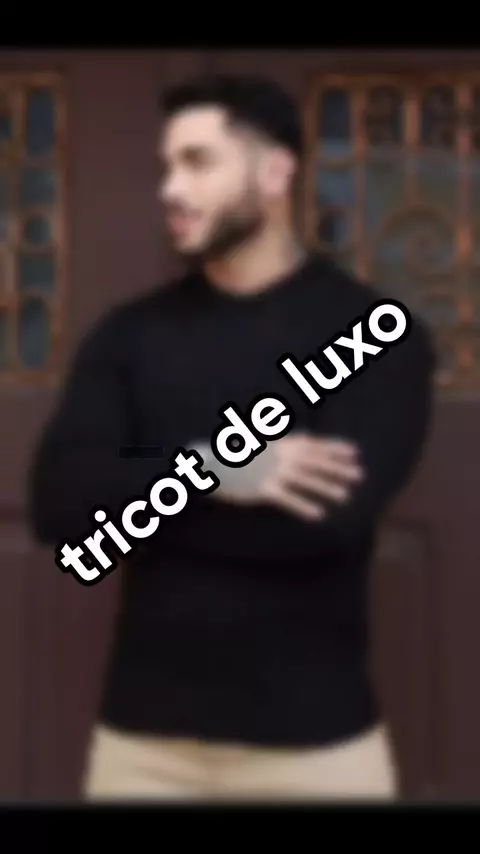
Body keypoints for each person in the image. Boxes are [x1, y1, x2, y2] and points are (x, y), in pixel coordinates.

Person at [28, 74, 434, 801]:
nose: (170, 189)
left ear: (275, 172)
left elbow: (325, 525)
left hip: (317, 754)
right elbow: (62, 505)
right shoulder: (129, 336)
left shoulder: (374, 338)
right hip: (142, 753)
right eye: (166, 166)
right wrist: (216, 468)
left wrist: (143, 498)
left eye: (197, 162)